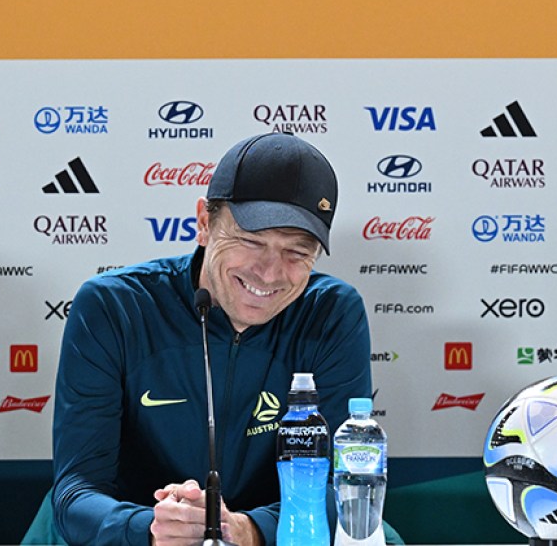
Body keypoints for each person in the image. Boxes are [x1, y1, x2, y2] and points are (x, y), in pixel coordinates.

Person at [52, 132, 372, 546]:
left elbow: (347, 488)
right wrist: (154, 528)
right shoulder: (114, 307)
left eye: (297, 252)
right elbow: (75, 493)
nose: (270, 273)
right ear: (204, 223)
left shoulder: (331, 313)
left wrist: (247, 530)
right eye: (251, 241)